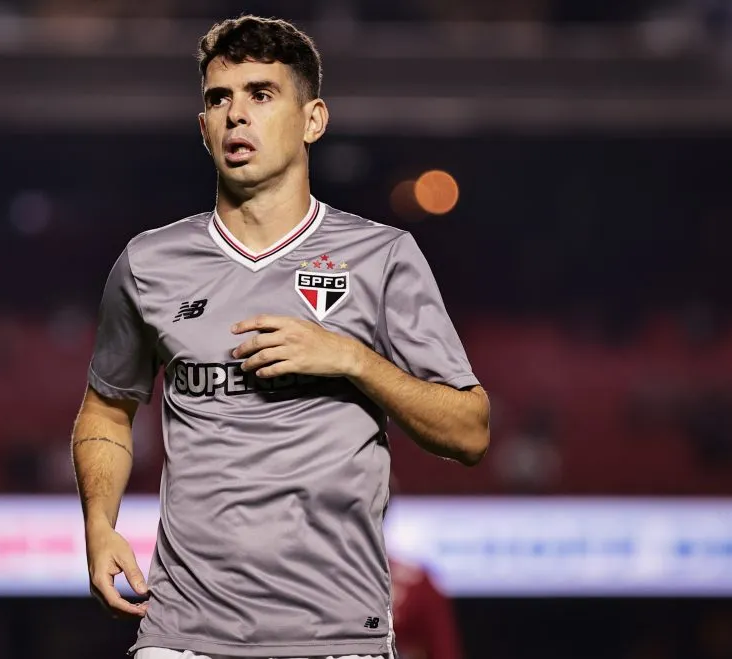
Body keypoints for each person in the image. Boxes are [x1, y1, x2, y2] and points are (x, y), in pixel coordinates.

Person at [71, 15, 490, 659]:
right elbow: (106, 409)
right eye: (219, 99)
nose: (237, 115)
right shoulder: (148, 263)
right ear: (203, 126)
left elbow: (470, 432)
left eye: (261, 95)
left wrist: (352, 359)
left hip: (338, 636)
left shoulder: (382, 257)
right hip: (182, 637)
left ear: (313, 119)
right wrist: (99, 526)